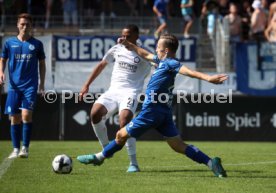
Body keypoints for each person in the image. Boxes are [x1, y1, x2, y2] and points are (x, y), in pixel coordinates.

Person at [77, 33, 228, 178]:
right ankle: (211, 162)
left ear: (166, 50)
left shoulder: (171, 63)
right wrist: (129, 44)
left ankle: (99, 157)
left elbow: (188, 71)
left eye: (158, 47)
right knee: (178, 145)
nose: (155, 49)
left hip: (152, 112)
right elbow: (145, 54)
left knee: (120, 135)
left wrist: (209, 78)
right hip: (164, 113)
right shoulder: (161, 61)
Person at [78, 24, 151, 173]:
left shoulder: (143, 53)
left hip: (130, 92)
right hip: (113, 91)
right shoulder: (117, 48)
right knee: (95, 113)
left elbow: (157, 64)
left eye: (128, 36)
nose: (124, 38)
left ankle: (133, 163)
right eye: (123, 35)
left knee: (125, 121)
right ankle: (106, 148)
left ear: (137, 36)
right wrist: (86, 85)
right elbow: (101, 65)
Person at [0, 13, 46, 159]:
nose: (25, 26)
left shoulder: (37, 44)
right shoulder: (9, 43)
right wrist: (1, 72)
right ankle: (15, 149)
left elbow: (42, 64)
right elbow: (3, 59)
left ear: (31, 26)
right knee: (14, 118)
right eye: (22, 24)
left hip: (30, 86)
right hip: (14, 86)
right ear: (17, 25)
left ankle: (24, 148)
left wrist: (42, 83)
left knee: (26, 115)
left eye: (27, 24)